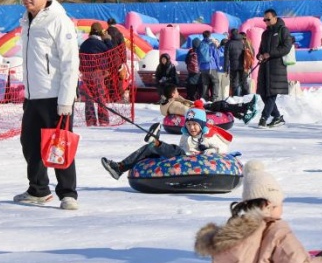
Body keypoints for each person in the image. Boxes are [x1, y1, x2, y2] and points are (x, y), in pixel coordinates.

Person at [193, 160, 322, 263]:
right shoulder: (277, 231)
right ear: (268, 205)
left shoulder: (228, 235)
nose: (281, 208)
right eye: (280, 204)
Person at [16, 0, 80, 211]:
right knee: (30, 144)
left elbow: (70, 62)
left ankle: (68, 194)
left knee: (59, 144)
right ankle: (38, 189)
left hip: (55, 97)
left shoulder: (58, 20)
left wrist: (66, 100)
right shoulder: (27, 20)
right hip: (33, 97)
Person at [100, 107, 229, 179]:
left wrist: (209, 150)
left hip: (190, 158)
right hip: (180, 157)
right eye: (189, 124)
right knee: (149, 148)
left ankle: (157, 142)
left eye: (195, 124)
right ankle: (120, 167)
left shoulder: (208, 136)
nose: (192, 128)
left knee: (176, 151)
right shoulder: (186, 136)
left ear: (201, 124)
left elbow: (222, 148)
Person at [256, 9, 292, 127]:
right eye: (264, 19)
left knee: (272, 94)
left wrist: (270, 54)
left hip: (277, 67)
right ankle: (277, 117)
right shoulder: (265, 33)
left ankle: (264, 117)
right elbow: (260, 49)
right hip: (264, 67)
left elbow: (286, 47)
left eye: (268, 19)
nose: (266, 21)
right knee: (263, 93)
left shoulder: (283, 30)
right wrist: (259, 55)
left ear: (275, 18)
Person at [78, 22, 112, 127]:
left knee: (89, 98)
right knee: (100, 96)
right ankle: (103, 120)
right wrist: (107, 39)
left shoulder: (84, 44)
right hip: (97, 73)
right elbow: (110, 50)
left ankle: (90, 120)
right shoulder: (100, 44)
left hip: (85, 73)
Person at [224, 29, 247, 97]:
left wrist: (226, 69)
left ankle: (236, 97)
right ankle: (246, 96)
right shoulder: (243, 42)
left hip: (234, 66)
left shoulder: (229, 43)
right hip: (244, 65)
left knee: (234, 82)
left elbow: (226, 57)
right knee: (244, 81)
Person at [196, 30, 217, 101]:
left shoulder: (200, 44)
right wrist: (217, 65)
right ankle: (214, 98)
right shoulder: (211, 44)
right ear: (210, 35)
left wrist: (199, 66)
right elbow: (215, 55)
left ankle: (205, 97)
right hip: (211, 66)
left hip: (202, 66)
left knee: (205, 83)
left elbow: (198, 56)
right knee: (215, 82)